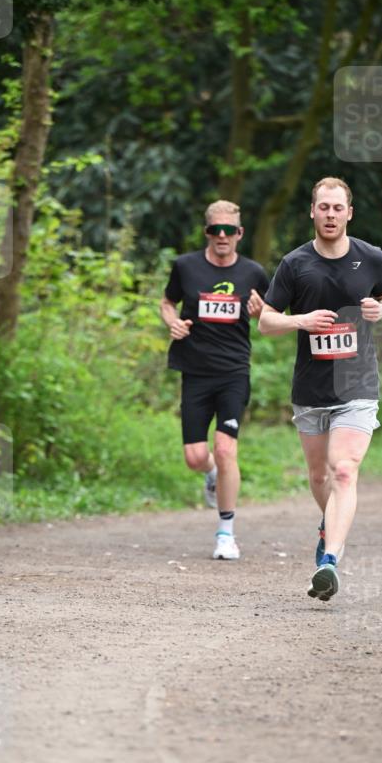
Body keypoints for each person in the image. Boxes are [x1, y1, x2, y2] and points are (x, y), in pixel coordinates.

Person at [258, 177, 382, 600]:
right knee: (320, 475)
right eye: (324, 207)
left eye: (338, 208)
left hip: (357, 385)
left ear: (349, 213)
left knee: (343, 469)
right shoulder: (295, 264)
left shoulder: (371, 258)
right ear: (313, 212)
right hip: (311, 390)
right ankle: (329, 526)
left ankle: (330, 561)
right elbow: (266, 321)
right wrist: (300, 321)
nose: (331, 214)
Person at [160, 200, 269, 559]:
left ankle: (226, 533)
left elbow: (272, 317)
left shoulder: (254, 273)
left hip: (234, 372)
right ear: (207, 232)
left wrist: (262, 312)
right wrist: (171, 322)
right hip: (194, 371)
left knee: (225, 450)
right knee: (195, 457)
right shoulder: (185, 267)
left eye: (229, 230)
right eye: (215, 230)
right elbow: (167, 302)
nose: (222, 236)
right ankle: (210, 475)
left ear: (239, 234)